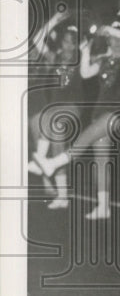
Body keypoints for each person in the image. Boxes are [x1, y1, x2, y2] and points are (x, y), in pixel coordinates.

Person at [35, 21, 120, 219]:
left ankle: (54, 162)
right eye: (114, 38)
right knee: (101, 161)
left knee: (85, 137)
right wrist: (85, 50)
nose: (118, 41)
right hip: (99, 112)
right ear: (108, 40)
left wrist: (111, 30)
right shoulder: (102, 60)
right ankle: (103, 207)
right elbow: (85, 73)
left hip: (118, 112)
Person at [27, 14, 82, 209]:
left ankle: (39, 160)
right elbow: (36, 40)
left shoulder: (80, 58)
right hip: (54, 112)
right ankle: (63, 197)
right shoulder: (54, 58)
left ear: (76, 45)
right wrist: (54, 20)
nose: (68, 46)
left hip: (71, 107)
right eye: (66, 42)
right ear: (62, 43)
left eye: (72, 43)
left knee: (50, 119)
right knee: (58, 146)